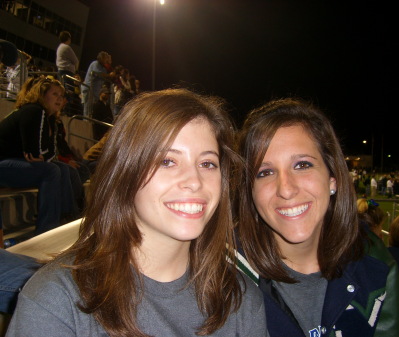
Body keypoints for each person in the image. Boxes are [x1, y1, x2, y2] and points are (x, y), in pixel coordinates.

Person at [6, 89, 268, 337]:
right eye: (167, 161)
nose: (195, 181)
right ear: (125, 173)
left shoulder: (241, 299)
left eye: (207, 163)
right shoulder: (55, 301)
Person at [235, 98, 399, 337]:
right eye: (265, 172)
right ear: (250, 191)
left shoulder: (374, 262)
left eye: (302, 165)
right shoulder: (222, 274)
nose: (286, 189)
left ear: (332, 178)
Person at [0, 77, 80, 234]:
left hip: (12, 162)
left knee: (63, 168)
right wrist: (41, 154)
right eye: (54, 94)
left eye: (61, 95)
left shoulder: (47, 117)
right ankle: (47, 228)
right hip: (3, 164)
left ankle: (67, 216)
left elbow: (45, 154)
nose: (59, 99)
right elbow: (36, 153)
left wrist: (42, 153)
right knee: (51, 170)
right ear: (42, 95)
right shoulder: (34, 111)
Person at [82, 51, 111, 116]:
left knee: (93, 108)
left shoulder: (103, 68)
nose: (106, 60)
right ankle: (86, 120)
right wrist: (109, 75)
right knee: (88, 107)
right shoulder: (95, 64)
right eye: (106, 58)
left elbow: (106, 76)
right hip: (90, 88)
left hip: (96, 92)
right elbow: (99, 74)